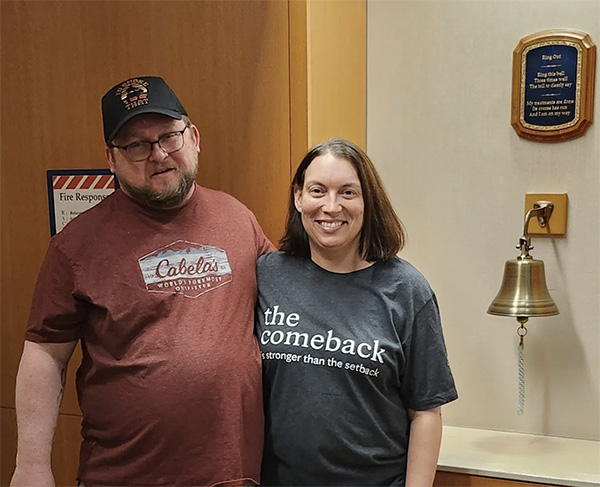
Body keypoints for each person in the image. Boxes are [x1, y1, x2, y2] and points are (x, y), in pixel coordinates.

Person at [11, 76, 273, 487]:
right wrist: (31, 466)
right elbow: (45, 355)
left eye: (169, 136)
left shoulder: (238, 218)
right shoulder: (75, 245)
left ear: (194, 137)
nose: (158, 155)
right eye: (136, 145)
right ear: (111, 159)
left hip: (233, 476)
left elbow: (292, 302)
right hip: (124, 476)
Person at [255, 138, 458, 486]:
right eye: (318, 190)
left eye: (347, 193)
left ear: (367, 202)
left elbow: (425, 411)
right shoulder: (268, 275)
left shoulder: (407, 290)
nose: (331, 207)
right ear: (298, 196)